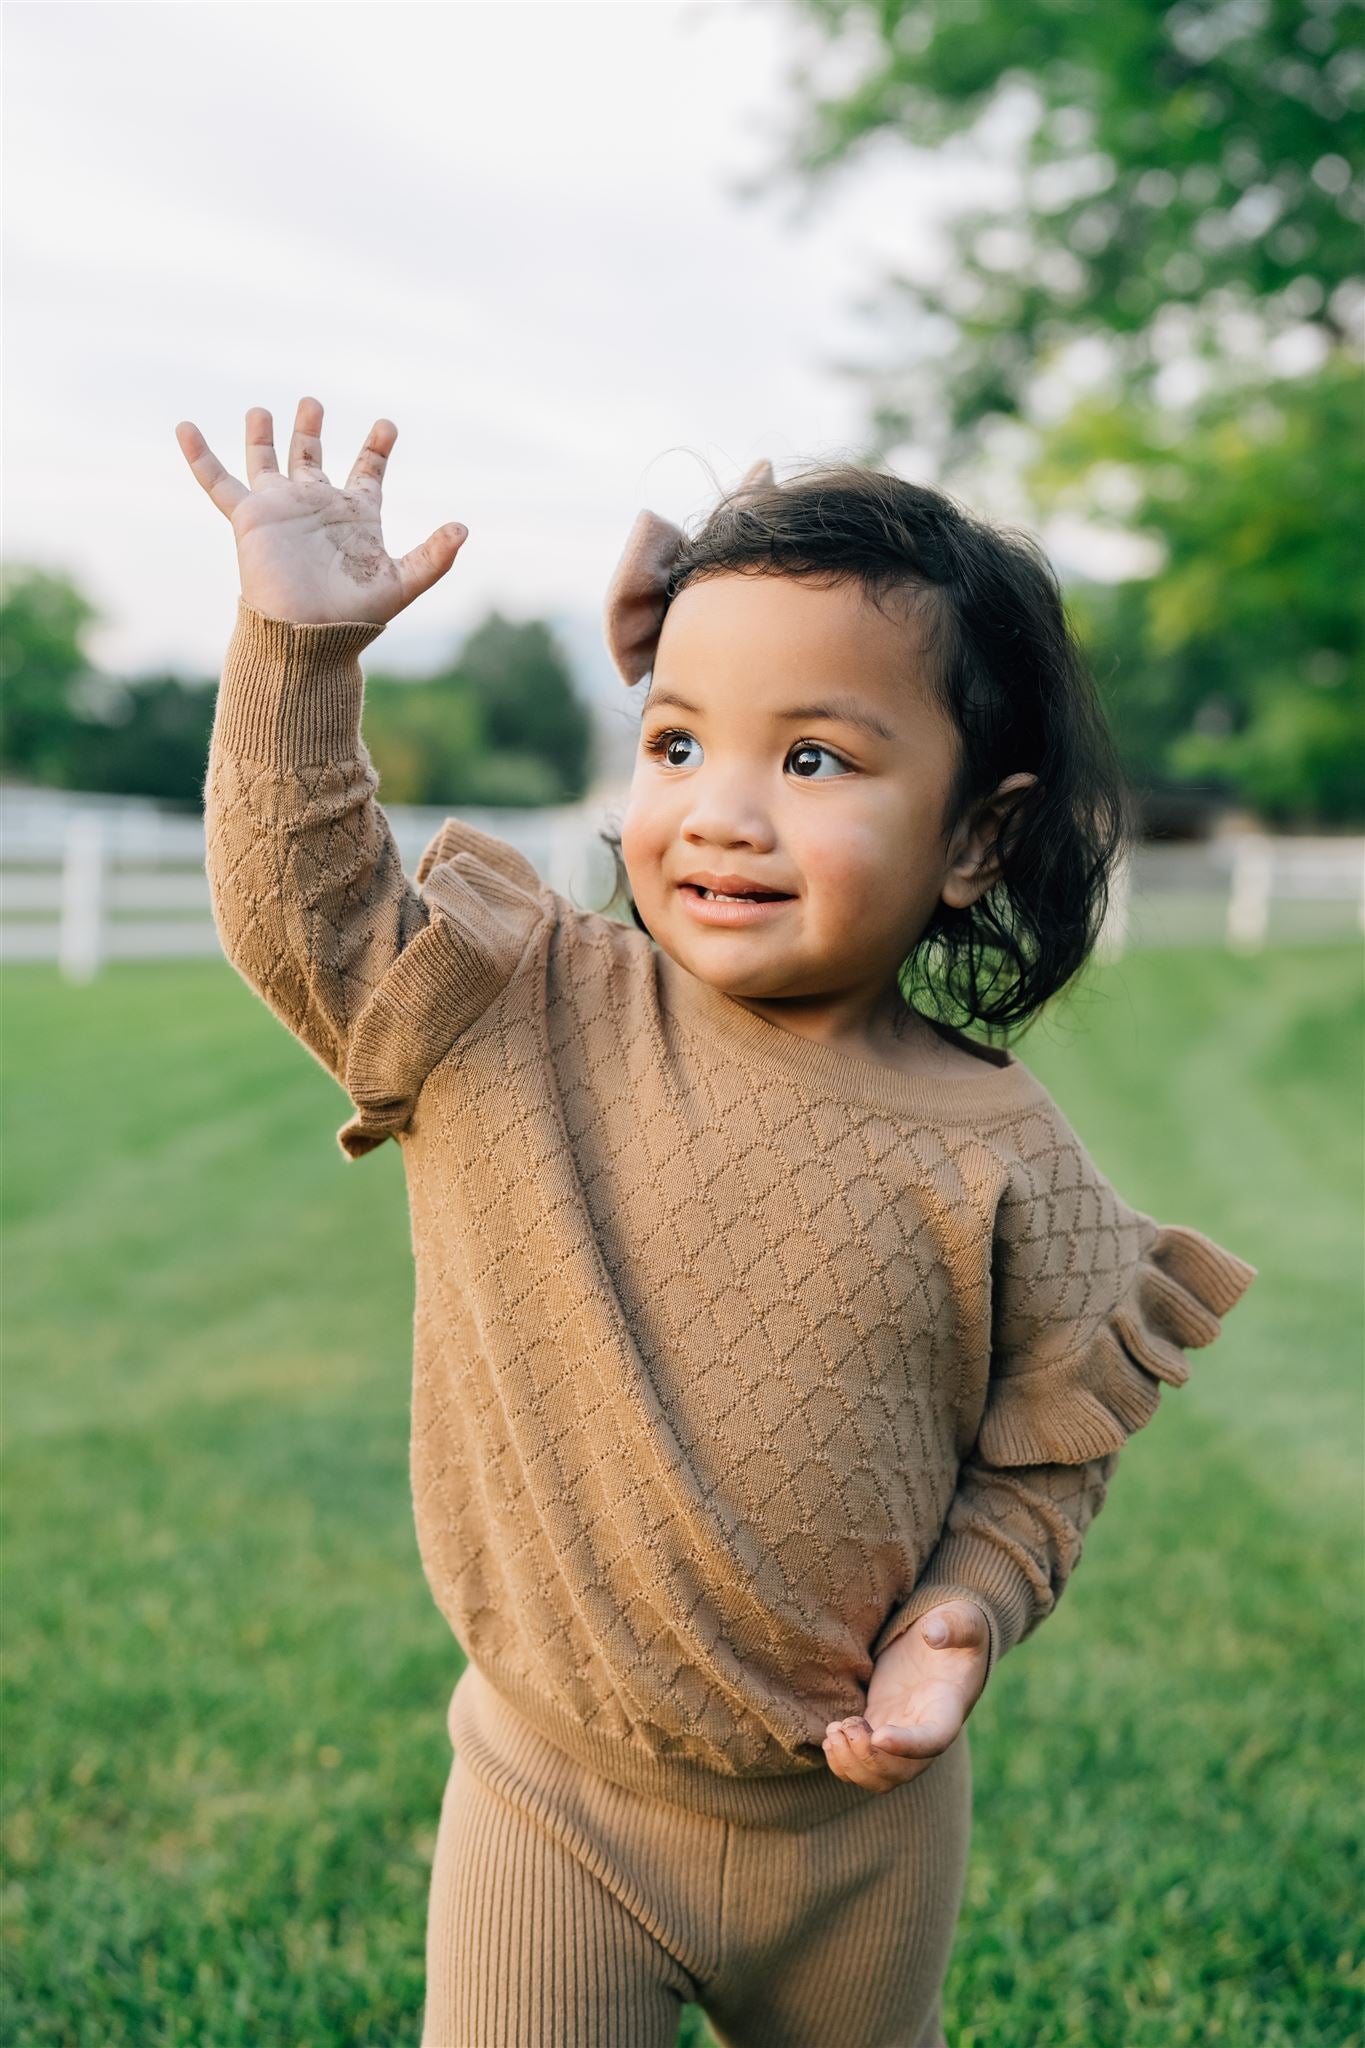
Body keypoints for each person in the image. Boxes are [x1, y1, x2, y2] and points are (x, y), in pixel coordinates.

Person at [176, 397, 1259, 2048]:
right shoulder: (515, 1009)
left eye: (810, 757)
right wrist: (297, 661)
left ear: (975, 837)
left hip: (865, 1838)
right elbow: (297, 909)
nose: (723, 810)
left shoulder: (1005, 1155)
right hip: (558, 1798)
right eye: (676, 744)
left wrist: (965, 1611)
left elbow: (1042, 1458)